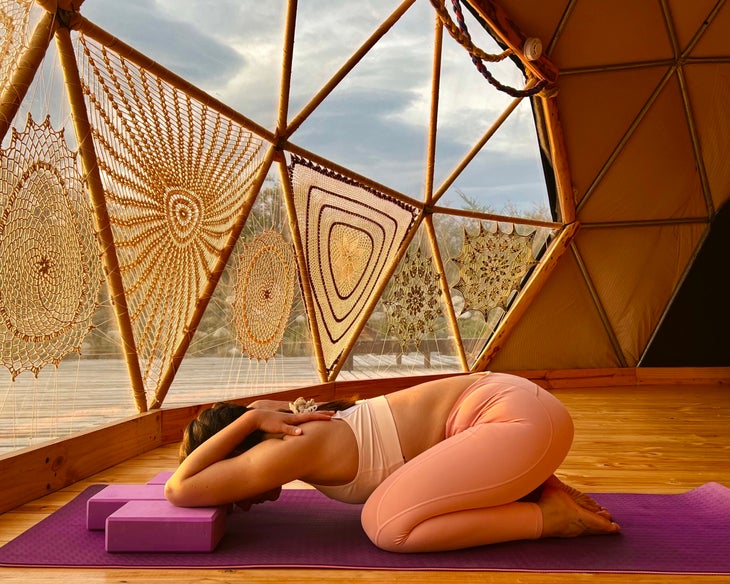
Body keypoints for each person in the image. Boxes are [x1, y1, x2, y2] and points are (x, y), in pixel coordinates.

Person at [165, 372, 620, 552]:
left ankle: (546, 517)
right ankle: (539, 484)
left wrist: (251, 421)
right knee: (404, 502)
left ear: (242, 450)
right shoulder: (291, 418)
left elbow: (180, 488)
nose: (240, 502)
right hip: (516, 411)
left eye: (231, 492)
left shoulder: (285, 442)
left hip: (515, 420)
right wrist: (253, 417)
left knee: (386, 526)